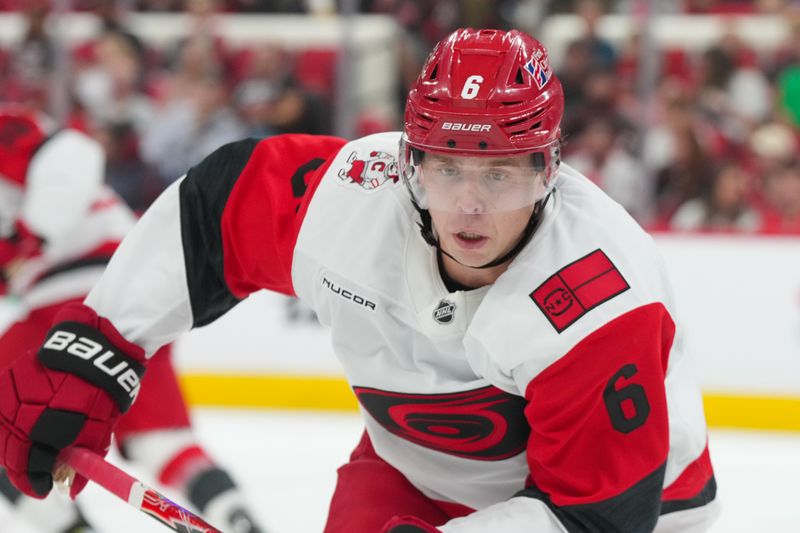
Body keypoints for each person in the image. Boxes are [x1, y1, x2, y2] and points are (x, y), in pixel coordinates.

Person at [0, 29, 718, 532]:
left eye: (498, 172)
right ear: (410, 162)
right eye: (446, 167)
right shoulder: (354, 195)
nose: (469, 204)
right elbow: (213, 212)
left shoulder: (599, 298)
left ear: (547, 172)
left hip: (641, 511)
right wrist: (102, 345)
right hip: (412, 469)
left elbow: (598, 514)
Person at [0, 105, 264, 533]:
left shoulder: (9, 130)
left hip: (91, 281)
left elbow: (72, 152)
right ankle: (239, 520)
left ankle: (65, 526)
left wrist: (31, 234)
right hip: (134, 288)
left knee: (7, 418)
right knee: (160, 440)